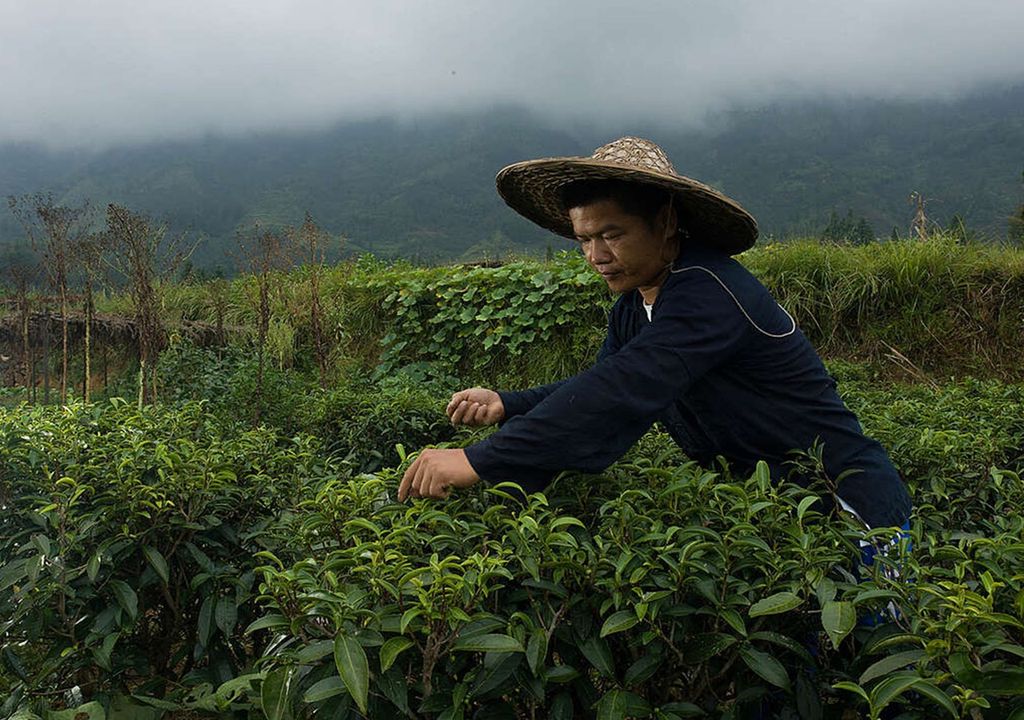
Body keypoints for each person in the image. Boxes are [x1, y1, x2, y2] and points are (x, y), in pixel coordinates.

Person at [396, 136, 912, 535]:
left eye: (612, 235)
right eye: (585, 240)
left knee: (874, 654)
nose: (597, 256)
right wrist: (507, 404)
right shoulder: (634, 305)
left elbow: (624, 389)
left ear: (665, 222)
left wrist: (479, 459)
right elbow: (603, 380)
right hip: (775, 508)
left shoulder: (707, 291)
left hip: (847, 502)